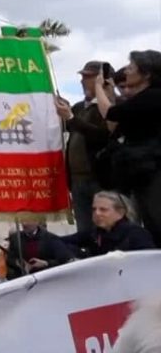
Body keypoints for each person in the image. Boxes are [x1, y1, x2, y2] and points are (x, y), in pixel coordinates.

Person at [98, 50, 161, 246]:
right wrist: (109, 94)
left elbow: (110, 113)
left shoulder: (152, 97)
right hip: (141, 170)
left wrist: (99, 87)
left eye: (132, 68)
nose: (127, 72)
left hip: (153, 169)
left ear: (146, 74)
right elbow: (116, 124)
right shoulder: (143, 98)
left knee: (156, 222)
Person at [55, 61, 112, 233]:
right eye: (82, 77)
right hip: (78, 180)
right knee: (85, 231)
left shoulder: (109, 107)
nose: (82, 81)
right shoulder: (80, 107)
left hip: (99, 179)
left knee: (104, 229)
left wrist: (71, 117)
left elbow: (101, 135)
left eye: (88, 77)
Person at [63, 191, 154, 257]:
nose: (97, 213)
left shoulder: (136, 234)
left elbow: (148, 260)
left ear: (121, 212)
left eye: (103, 210)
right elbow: (60, 241)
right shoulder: (95, 233)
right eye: (94, 209)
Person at [3, 220, 74, 279]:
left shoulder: (50, 238)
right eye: (22, 220)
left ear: (37, 221)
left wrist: (46, 263)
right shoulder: (15, 238)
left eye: (28, 220)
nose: (24, 224)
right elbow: (10, 259)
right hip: (23, 279)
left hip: (46, 278)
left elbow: (65, 260)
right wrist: (18, 263)